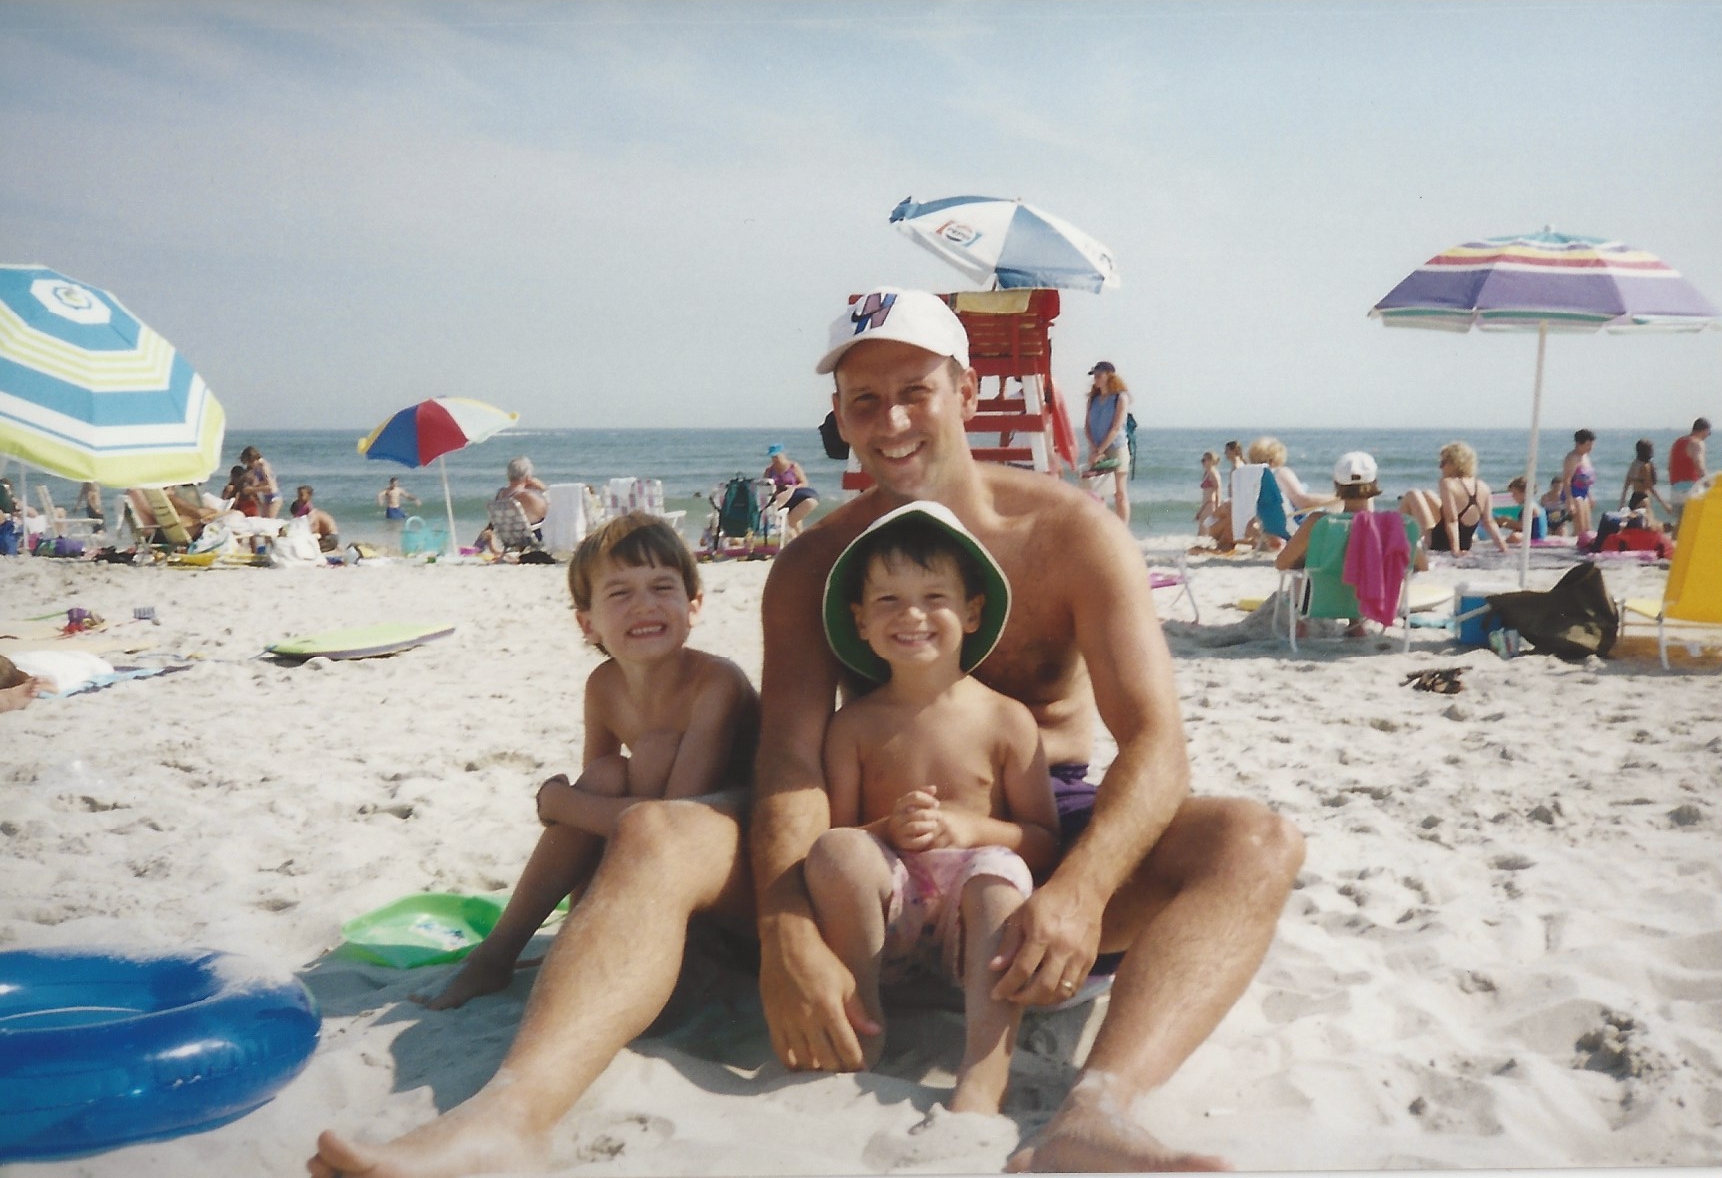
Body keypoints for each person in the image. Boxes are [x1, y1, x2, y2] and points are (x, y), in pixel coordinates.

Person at [308, 287, 1301, 1177]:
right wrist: (788, 931)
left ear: (961, 386)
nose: (892, 421)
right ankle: (508, 1118)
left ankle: (1099, 1108)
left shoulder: (1069, 533)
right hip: (853, 853)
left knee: (1254, 839)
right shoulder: (815, 560)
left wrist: (1081, 889)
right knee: (659, 834)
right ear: (839, 418)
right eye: (863, 402)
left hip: (1035, 851)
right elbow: (786, 754)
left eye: (913, 389)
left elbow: (1156, 740)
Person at [414, 512, 759, 1013]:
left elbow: (675, 820)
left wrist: (556, 800)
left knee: (637, 761)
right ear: (587, 622)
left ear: (694, 605)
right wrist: (572, 811)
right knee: (603, 776)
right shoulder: (603, 686)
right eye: (620, 593)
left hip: (728, 851)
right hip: (655, 837)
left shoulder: (716, 684)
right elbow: (597, 807)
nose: (645, 605)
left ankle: (610, 942)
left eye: (663, 587)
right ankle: (501, 953)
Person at [808, 501, 1058, 1115]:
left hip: (970, 934)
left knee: (1000, 878)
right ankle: (863, 1023)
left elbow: (1045, 840)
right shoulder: (854, 726)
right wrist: (884, 829)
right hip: (885, 929)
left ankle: (983, 1069)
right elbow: (836, 840)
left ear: (971, 611)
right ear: (860, 621)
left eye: (934, 596)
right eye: (888, 601)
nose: (912, 615)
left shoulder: (1006, 720)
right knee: (837, 851)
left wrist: (971, 828)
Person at [1275, 451, 1426, 636]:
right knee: (1365, 563)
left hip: (1319, 602)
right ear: (1375, 483)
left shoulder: (1319, 523)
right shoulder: (1396, 526)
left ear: (1337, 484)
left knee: (1307, 573)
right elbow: (1422, 565)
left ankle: (1302, 627)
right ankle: (1356, 625)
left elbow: (1281, 563)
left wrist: (1304, 561)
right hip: (1372, 600)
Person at [1399, 440, 1509, 555]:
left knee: (1412, 494)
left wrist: (1455, 550)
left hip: (1439, 543)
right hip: (1465, 543)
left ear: (1454, 463)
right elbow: (1489, 522)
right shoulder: (1483, 486)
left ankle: (1392, 536)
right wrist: (1503, 546)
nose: (1440, 467)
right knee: (1428, 494)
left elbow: (1452, 520)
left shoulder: (1448, 483)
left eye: (1443, 463)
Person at [1081, 361, 1130, 524]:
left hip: (1116, 448)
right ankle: (1099, 529)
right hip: (1096, 449)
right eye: (1094, 375)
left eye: (1099, 375)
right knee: (1096, 492)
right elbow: (1087, 427)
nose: (1096, 379)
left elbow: (1116, 427)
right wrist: (1095, 450)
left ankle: (1123, 531)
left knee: (1119, 492)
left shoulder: (1120, 398)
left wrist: (1100, 450)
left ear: (1110, 376)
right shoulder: (1093, 399)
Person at [764, 443, 820, 539]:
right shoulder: (769, 470)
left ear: (783, 454)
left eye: (777, 456)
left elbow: (804, 483)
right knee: (793, 525)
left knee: (791, 524)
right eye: (772, 457)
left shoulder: (793, 467)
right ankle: (801, 545)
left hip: (795, 497)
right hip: (781, 499)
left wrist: (792, 487)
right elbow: (765, 486)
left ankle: (798, 545)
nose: (775, 459)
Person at [1619, 438, 1672, 527]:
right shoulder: (1645, 466)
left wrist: (1621, 504)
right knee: (1651, 526)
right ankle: (1669, 527)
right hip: (1643, 499)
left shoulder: (1634, 464)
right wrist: (1665, 505)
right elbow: (1650, 487)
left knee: (1639, 528)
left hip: (1634, 499)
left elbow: (1626, 485)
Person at [1668, 416, 1710, 520]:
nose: (1707, 436)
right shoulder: (1697, 443)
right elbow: (1699, 465)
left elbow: (1669, 467)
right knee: (1699, 522)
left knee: (1680, 526)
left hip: (1675, 490)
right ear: (1705, 430)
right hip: (1691, 489)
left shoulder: (1677, 442)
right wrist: (1709, 485)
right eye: (1708, 433)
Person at [1560, 428, 1598, 538]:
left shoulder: (1586, 457)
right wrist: (1569, 501)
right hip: (1574, 493)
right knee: (1579, 529)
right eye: (1587, 445)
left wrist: (1590, 496)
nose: (1590, 448)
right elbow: (1566, 480)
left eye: (1591, 445)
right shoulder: (1572, 458)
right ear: (1578, 443)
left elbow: (1586, 481)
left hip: (1584, 492)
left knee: (1587, 528)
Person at [289, 485, 341, 553]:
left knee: (308, 549)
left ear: (309, 496)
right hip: (326, 537)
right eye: (298, 495)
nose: (298, 498)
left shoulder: (313, 513)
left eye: (301, 495)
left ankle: (335, 550)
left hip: (330, 538)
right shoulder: (308, 511)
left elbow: (315, 529)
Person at [1500, 476, 1548, 541]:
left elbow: (1522, 526)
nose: (1513, 496)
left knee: (1515, 536)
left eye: (1515, 493)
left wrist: (1505, 523)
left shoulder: (1530, 507)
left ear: (1525, 493)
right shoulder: (1531, 505)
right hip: (1530, 535)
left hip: (1534, 538)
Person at [239, 446, 280, 519]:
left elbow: (269, 486)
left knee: (269, 521)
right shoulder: (257, 466)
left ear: (251, 459)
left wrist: (252, 489)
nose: (248, 465)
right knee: (263, 520)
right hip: (267, 497)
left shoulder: (263, 466)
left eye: (248, 463)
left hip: (274, 497)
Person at [1195, 450, 1222, 535]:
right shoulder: (1207, 472)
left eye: (1204, 460)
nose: (1202, 462)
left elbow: (1217, 490)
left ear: (1211, 461)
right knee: (1202, 531)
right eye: (1202, 460)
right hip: (1206, 505)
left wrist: (1217, 507)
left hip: (1210, 505)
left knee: (1204, 532)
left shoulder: (1212, 473)